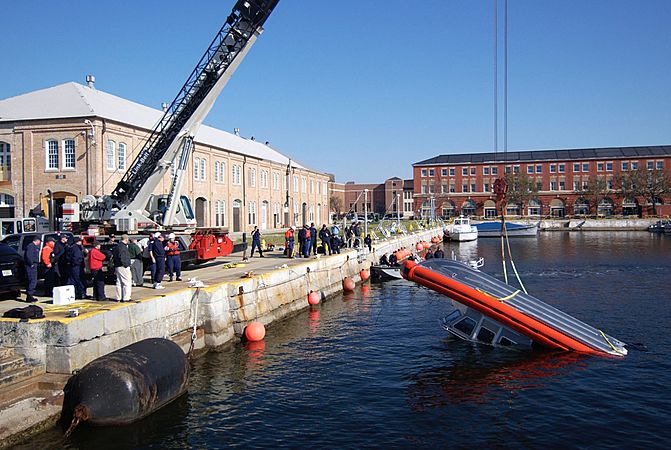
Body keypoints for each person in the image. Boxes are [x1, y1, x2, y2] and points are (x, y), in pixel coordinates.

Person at [112, 234, 132, 302]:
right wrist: (126, 265)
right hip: (123, 266)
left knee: (119, 282)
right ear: (126, 239)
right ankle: (126, 297)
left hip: (117, 266)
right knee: (127, 282)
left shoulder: (117, 246)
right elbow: (123, 257)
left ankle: (118, 297)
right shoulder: (123, 247)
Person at [23, 236, 41, 302]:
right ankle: (29, 295)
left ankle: (30, 295)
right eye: (39, 241)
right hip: (31, 266)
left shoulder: (34, 247)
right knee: (32, 280)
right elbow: (29, 256)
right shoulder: (31, 246)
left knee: (33, 280)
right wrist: (31, 264)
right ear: (37, 241)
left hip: (34, 265)